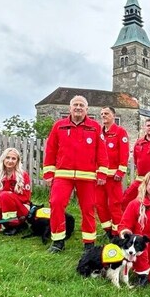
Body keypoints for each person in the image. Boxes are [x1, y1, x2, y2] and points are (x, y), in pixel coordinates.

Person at [42, 95, 109, 253]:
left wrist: (102, 173)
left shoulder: (95, 127)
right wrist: (48, 173)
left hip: (87, 176)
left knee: (88, 209)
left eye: (82, 105)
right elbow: (51, 150)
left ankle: (89, 244)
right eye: (75, 105)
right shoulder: (58, 126)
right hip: (62, 175)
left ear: (87, 109)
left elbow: (102, 152)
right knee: (56, 204)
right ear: (70, 108)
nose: (78, 107)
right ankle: (58, 241)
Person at [95, 106, 130, 239]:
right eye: (102, 114)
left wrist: (121, 171)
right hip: (99, 177)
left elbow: (124, 153)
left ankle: (117, 232)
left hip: (113, 177)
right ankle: (108, 230)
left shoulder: (120, 132)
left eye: (107, 113)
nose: (104, 116)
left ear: (113, 116)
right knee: (99, 204)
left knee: (115, 205)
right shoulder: (99, 133)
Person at [0, 147, 32, 235]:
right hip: (0, 207)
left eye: (13, 158)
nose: (10, 161)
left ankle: (13, 225)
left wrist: (5, 196)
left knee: (5, 195)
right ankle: (15, 224)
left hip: (20, 208)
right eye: (8, 157)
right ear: (3, 159)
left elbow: (25, 197)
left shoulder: (23, 175)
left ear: (17, 161)